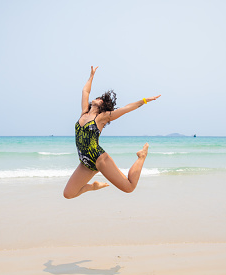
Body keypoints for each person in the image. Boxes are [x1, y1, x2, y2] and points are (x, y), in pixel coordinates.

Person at [63, 66, 161, 199]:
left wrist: (143, 101)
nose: (96, 98)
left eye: (99, 99)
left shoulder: (102, 117)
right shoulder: (84, 112)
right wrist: (91, 75)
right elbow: (85, 91)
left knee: (129, 187)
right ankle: (93, 187)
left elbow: (126, 109)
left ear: (102, 105)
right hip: (85, 162)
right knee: (68, 194)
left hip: (99, 159)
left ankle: (141, 156)